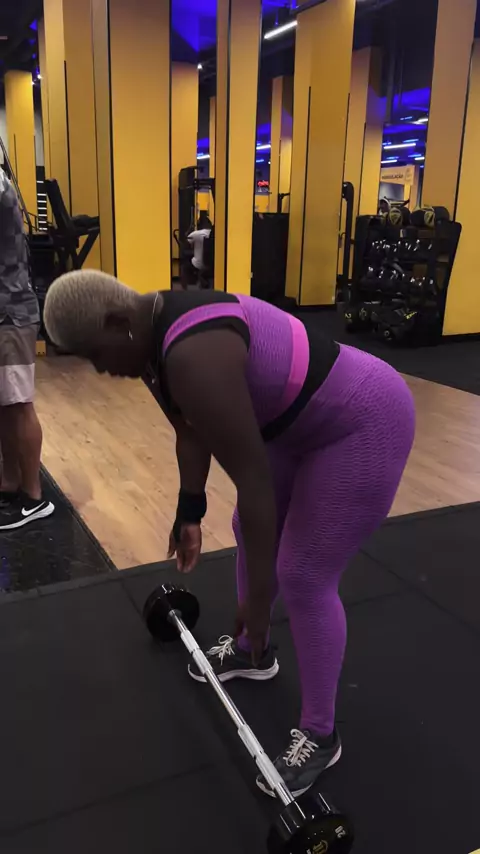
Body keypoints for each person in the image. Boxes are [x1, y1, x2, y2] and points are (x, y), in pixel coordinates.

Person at [43, 271, 415, 797]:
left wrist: (259, 602)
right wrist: (189, 512)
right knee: (246, 527)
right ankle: (252, 653)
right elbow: (189, 430)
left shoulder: (194, 356)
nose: (99, 369)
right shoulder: (151, 337)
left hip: (364, 420)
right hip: (297, 423)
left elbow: (254, 482)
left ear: (117, 320)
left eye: (95, 355)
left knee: (303, 574)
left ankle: (320, 733)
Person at [0, 166, 54, 530]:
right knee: (4, 405)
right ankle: (9, 482)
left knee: (19, 405)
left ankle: (34, 497)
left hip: (11, 313)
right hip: (4, 312)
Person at [187, 214, 212, 282]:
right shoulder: (214, 234)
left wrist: (189, 231)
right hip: (212, 265)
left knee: (185, 264)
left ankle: (189, 283)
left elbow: (186, 243)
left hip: (197, 264)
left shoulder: (195, 234)